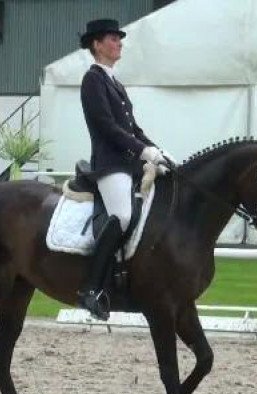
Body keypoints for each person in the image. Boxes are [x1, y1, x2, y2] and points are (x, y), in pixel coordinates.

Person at [77, 18, 167, 321]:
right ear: (97, 44)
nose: (119, 43)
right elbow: (106, 126)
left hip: (128, 163)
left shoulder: (114, 82)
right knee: (123, 216)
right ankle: (91, 289)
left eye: (119, 38)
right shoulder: (93, 80)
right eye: (113, 39)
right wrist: (142, 151)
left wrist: (158, 151)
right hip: (109, 163)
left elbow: (133, 128)